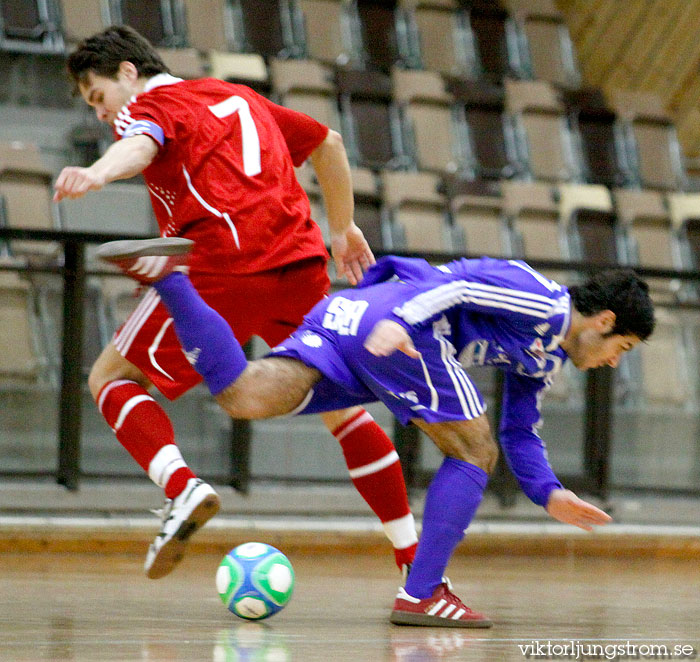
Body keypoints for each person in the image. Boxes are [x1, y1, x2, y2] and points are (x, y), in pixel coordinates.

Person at [95, 236, 655, 627]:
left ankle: (169, 279)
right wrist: (403, 322)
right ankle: (422, 593)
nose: (611, 362)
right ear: (604, 321)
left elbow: (521, 428)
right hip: (403, 329)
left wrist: (547, 492)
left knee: (243, 394)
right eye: (619, 349)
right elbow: (456, 284)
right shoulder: (540, 300)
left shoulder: (547, 356)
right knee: (473, 452)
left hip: (355, 318)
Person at [53, 25, 418, 580]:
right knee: (344, 411)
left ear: (128, 72)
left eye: (99, 98)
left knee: (110, 378)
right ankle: (416, 567)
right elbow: (329, 143)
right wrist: (342, 230)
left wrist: (97, 172)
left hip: (220, 267)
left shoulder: (151, 103)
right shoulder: (238, 95)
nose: (103, 115)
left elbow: (141, 142)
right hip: (299, 265)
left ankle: (182, 488)